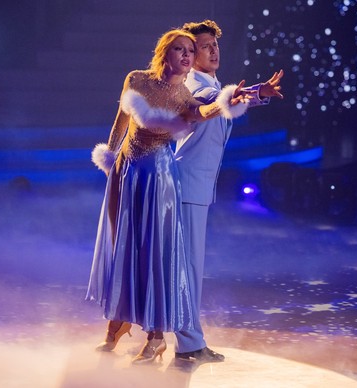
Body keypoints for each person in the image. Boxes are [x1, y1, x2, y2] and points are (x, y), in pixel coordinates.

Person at [86, 28, 249, 363]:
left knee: (153, 254)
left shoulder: (183, 96)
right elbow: (120, 120)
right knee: (123, 247)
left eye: (191, 51)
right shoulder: (137, 79)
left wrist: (226, 102)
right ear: (165, 53)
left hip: (159, 179)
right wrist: (111, 157)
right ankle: (117, 323)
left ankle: (156, 336)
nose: (187, 56)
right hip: (127, 172)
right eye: (180, 49)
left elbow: (202, 113)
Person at [172, 20, 284, 364]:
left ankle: (181, 338)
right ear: (190, 55)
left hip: (197, 185)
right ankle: (188, 343)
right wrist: (249, 94)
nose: (213, 51)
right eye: (204, 47)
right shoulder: (194, 84)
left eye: (214, 46)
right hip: (187, 184)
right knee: (186, 268)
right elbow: (213, 102)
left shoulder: (211, 83)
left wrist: (257, 95)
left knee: (188, 266)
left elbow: (227, 100)